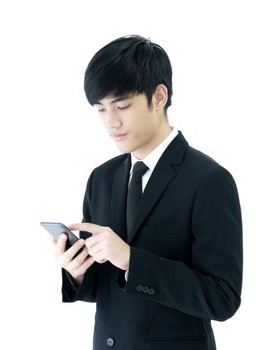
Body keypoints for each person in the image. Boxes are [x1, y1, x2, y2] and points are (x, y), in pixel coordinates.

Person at [52, 35, 243, 350]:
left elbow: (222, 298)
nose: (111, 122)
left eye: (122, 105)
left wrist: (131, 260)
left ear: (158, 96)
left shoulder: (210, 181)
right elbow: (105, 288)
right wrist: (76, 273)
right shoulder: (101, 178)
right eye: (100, 109)